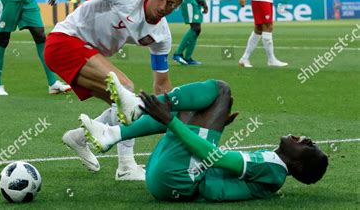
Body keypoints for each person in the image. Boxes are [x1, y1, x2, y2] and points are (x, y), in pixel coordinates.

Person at [79, 78, 329, 202]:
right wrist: (210, 123)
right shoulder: (273, 168)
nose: (307, 140)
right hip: (169, 179)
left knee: (221, 91)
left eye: (310, 147)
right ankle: (112, 133)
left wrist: (171, 122)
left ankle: (138, 108)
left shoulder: (273, 168)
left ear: (297, 166)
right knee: (196, 105)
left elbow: (215, 158)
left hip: (179, 180)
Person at [46, 0, 189, 180]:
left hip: (84, 52)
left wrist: (172, 115)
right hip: (64, 41)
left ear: (178, 6)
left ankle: (79, 138)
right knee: (125, 90)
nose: (162, 6)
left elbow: (162, 83)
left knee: (123, 105)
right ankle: (126, 167)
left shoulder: (161, 35)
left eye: (171, 4)